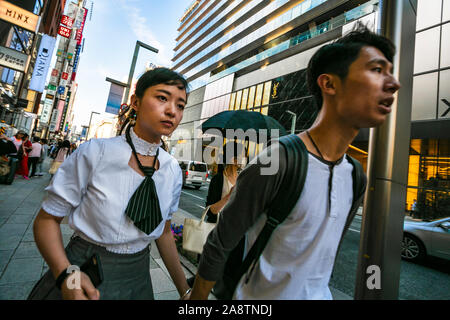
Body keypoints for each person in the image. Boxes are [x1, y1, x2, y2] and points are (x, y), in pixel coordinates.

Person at [189, 27, 401, 300]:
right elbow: (220, 243)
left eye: (389, 71)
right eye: (376, 69)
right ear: (330, 84)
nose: (393, 83)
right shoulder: (278, 159)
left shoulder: (356, 175)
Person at [29, 67, 191, 300]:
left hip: (139, 280)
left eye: (180, 105)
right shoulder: (95, 152)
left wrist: (184, 290)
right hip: (84, 272)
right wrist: (67, 276)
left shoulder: (173, 169)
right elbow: (46, 220)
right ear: (135, 102)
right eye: (162, 98)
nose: (172, 111)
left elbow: (164, 233)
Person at [186, 142, 243, 287]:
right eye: (241, 155)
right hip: (215, 231)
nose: (244, 159)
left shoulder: (242, 178)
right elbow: (211, 210)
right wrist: (228, 196)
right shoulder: (218, 179)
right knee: (207, 272)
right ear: (233, 158)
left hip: (233, 233)